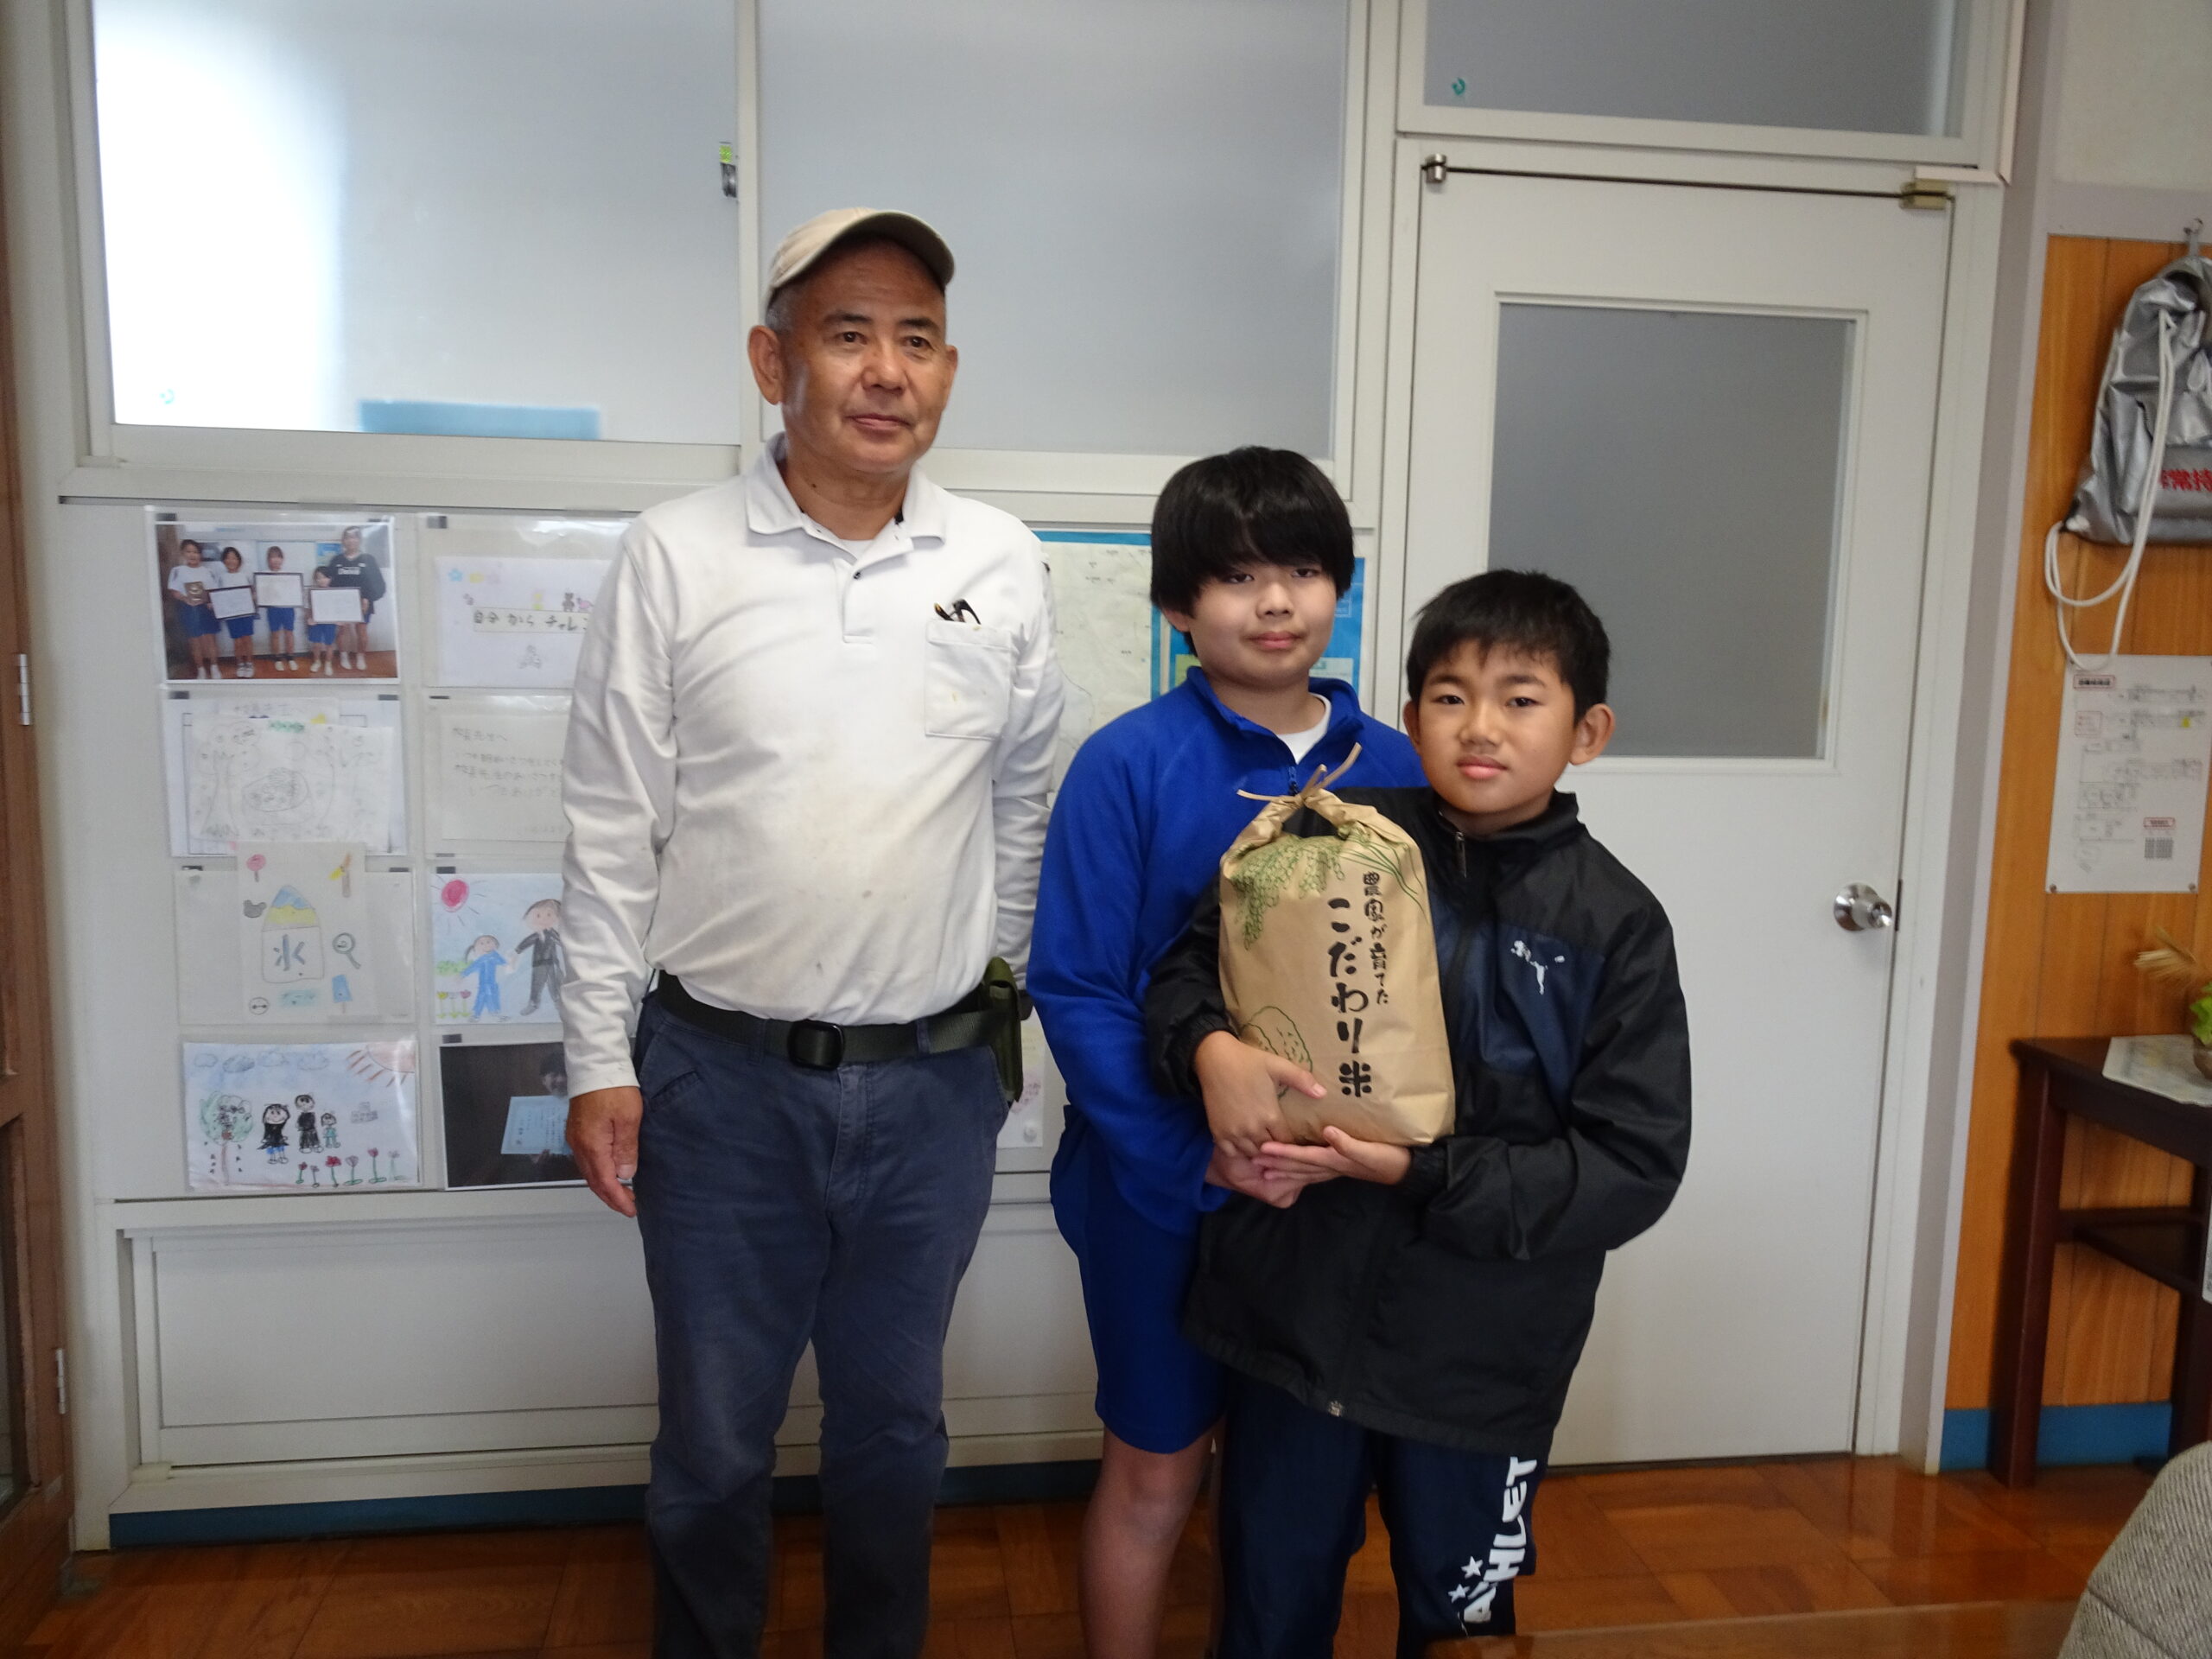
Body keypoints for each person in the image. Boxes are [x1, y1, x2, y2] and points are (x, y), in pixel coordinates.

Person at [560, 207, 1062, 1659]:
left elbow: (1021, 801)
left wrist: (990, 999)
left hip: (930, 1086)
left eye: (918, 339)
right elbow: (611, 822)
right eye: (849, 335)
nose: (886, 371)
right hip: (720, 1085)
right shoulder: (674, 554)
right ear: (773, 362)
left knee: (896, 1431)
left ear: (949, 368)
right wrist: (598, 1059)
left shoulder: (1000, 559)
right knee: (715, 1440)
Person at [1145, 570, 1693, 1656]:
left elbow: (1630, 1165)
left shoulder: (1613, 924)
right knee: (1266, 1609)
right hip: (1292, 1321)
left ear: (1586, 732)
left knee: (1461, 1630)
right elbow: (1183, 979)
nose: (1479, 727)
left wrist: (1419, 1170)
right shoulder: (1325, 845)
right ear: (1409, 717)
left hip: (1482, 1360)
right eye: (1449, 697)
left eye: (1519, 699)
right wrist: (1208, 1050)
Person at [1028, 448, 1424, 1659]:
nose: (1275, 602)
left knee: (1298, 1484)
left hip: (1335, 1197)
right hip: (1161, 1190)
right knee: (1156, 1469)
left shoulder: (1396, 766)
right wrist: (1195, 1157)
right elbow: (1078, 987)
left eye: (1301, 569)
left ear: (1339, 585)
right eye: (1237, 577)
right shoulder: (1127, 763)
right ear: (1176, 607)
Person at [324, 525, 385, 671]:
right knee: (342, 631)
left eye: (354, 537)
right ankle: (344, 655)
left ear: (359, 540)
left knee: (362, 633)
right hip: (341, 604)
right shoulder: (336, 560)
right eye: (347, 538)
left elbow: (379, 585)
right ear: (343, 541)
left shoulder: (369, 559)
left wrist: (368, 598)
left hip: (363, 603)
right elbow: (327, 582)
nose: (351, 540)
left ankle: (360, 656)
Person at [165, 538, 221, 679]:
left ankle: (214, 667)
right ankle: (201, 669)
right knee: (195, 641)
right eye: (188, 552)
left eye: (195, 552)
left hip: (206, 608)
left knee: (210, 640)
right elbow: (174, 591)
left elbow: (214, 591)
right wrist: (186, 599)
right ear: (183, 553)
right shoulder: (177, 571)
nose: (192, 555)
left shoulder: (208, 571)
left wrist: (209, 600)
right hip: (188, 609)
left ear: (200, 554)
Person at [513, 898, 566, 1018]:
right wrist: (517, 951)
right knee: (536, 984)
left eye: (549, 915)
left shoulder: (552, 933)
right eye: (538, 915)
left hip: (552, 963)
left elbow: (561, 942)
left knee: (555, 984)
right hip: (538, 963)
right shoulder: (537, 935)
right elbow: (527, 942)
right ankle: (533, 1003)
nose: (543, 919)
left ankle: (559, 1002)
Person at [214, 546, 257, 677]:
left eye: (234, 558)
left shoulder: (245, 575)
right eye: (228, 558)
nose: (231, 561)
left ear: (239, 560)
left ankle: (249, 663)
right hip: (231, 614)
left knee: (247, 639)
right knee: (237, 640)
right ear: (224, 560)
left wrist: (253, 597)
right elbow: (217, 596)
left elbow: (253, 592)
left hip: (246, 613)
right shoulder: (221, 577)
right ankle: (240, 664)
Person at [262, 546, 298, 671]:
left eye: (278, 556)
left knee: (289, 633)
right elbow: (262, 593)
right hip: (273, 609)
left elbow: (295, 591)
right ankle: (277, 658)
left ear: (282, 559)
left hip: (288, 608)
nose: (276, 559)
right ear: (268, 560)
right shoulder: (264, 575)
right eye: (272, 557)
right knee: (275, 634)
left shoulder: (289, 573)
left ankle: (291, 657)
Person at [305, 566, 340, 676]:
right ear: (315, 579)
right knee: (316, 644)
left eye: (325, 577)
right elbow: (308, 608)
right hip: (316, 623)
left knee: (329, 644)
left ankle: (328, 664)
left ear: (330, 578)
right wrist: (309, 619)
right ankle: (317, 662)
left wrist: (339, 620)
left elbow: (338, 608)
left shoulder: (335, 592)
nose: (322, 580)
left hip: (330, 623)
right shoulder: (311, 592)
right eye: (319, 578)